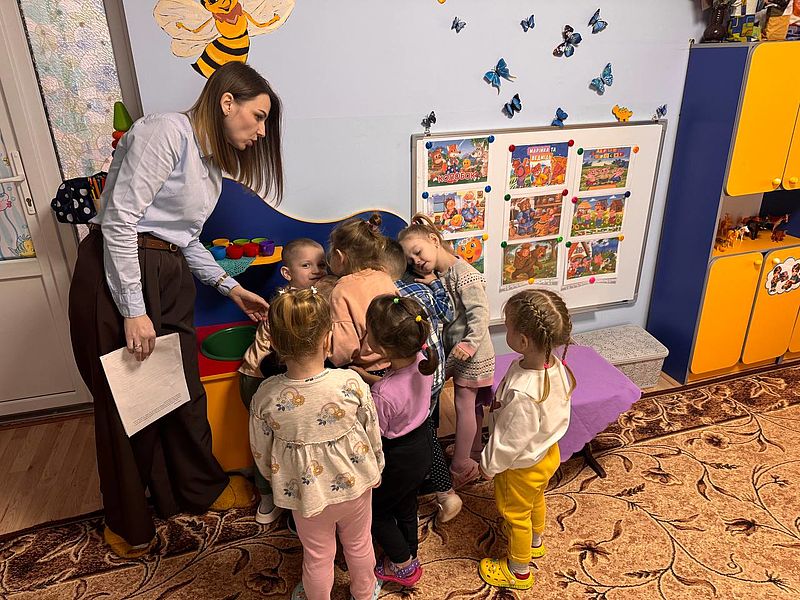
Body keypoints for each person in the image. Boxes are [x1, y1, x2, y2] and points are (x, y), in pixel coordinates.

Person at [68, 62, 283, 558]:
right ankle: (127, 521)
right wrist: (133, 309)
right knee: (128, 401)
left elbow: (184, 239)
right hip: (121, 272)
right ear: (227, 102)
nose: (261, 131)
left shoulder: (210, 165)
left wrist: (231, 287)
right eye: (258, 116)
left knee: (180, 390)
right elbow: (121, 221)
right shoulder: (165, 131)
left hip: (166, 273)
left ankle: (194, 490)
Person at [249, 289, 384, 600]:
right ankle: (364, 593)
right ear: (328, 339)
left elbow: (260, 449)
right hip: (356, 484)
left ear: (274, 344)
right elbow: (371, 431)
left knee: (318, 554)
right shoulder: (351, 382)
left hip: (304, 492)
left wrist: (275, 479)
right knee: (360, 543)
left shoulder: (265, 396)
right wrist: (376, 466)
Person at [477, 289, 576, 591]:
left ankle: (518, 571)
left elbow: (509, 441)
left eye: (506, 326)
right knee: (535, 498)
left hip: (520, 466)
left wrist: (488, 465)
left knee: (516, 515)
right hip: (546, 453)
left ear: (522, 340)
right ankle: (535, 541)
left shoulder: (524, 394)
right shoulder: (554, 365)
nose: (504, 329)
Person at [398, 214, 495, 489]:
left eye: (418, 252)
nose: (416, 261)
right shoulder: (442, 274)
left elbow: (480, 313)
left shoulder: (465, 274)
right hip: (460, 351)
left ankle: (461, 465)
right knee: (471, 406)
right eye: (410, 259)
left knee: (464, 405)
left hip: (473, 353)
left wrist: (470, 343)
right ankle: (471, 451)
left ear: (433, 240)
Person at [238, 237, 329, 525]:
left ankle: (297, 491)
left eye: (321, 264)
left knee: (294, 440)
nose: (316, 270)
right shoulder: (284, 302)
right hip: (259, 377)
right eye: (306, 265)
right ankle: (267, 495)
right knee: (266, 442)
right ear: (287, 273)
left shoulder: (316, 295)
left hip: (288, 376)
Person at [380, 239, 462, 523]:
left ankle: (428, 490)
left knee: (413, 432)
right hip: (432, 372)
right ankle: (443, 489)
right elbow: (448, 313)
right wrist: (435, 283)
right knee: (425, 425)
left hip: (408, 375)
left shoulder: (386, 302)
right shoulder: (419, 289)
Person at [360, 295, 436, 587]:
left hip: (398, 455)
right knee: (406, 503)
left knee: (377, 511)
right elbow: (397, 389)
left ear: (380, 347)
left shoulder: (383, 394)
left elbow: (375, 435)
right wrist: (367, 377)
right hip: (421, 445)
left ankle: (404, 565)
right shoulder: (422, 361)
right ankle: (410, 551)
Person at [327, 214, 397, 373]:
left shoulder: (341, 291)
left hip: (365, 371)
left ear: (340, 256)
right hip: (395, 363)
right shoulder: (385, 278)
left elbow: (343, 352)